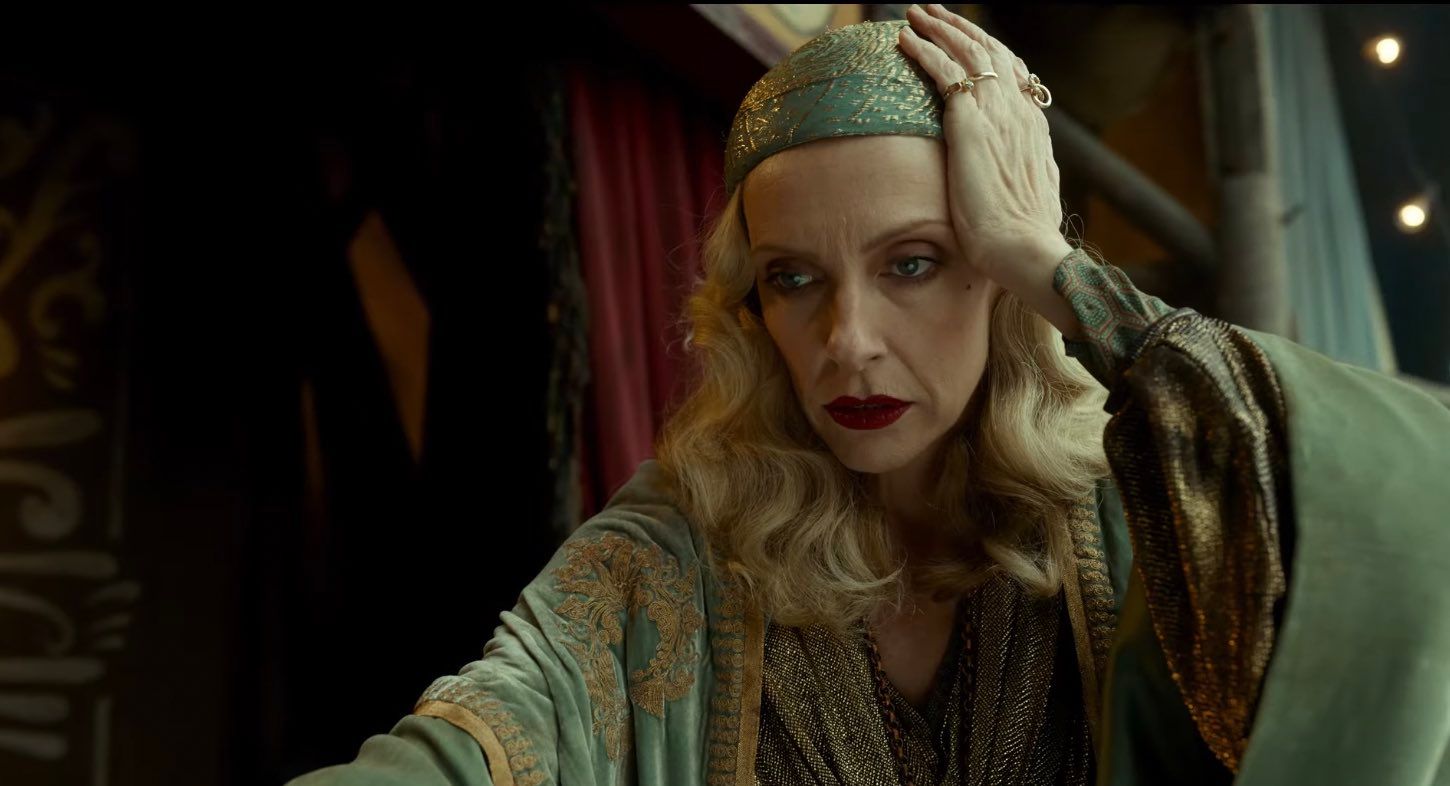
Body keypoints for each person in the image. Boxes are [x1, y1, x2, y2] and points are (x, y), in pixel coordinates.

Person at [289, 8, 1450, 786]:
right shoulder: (674, 552)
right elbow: (473, 748)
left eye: (913, 263)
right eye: (794, 280)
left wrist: (1051, 268)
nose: (847, 343)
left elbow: (1400, 517)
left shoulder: (1137, 514)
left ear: (993, 279)